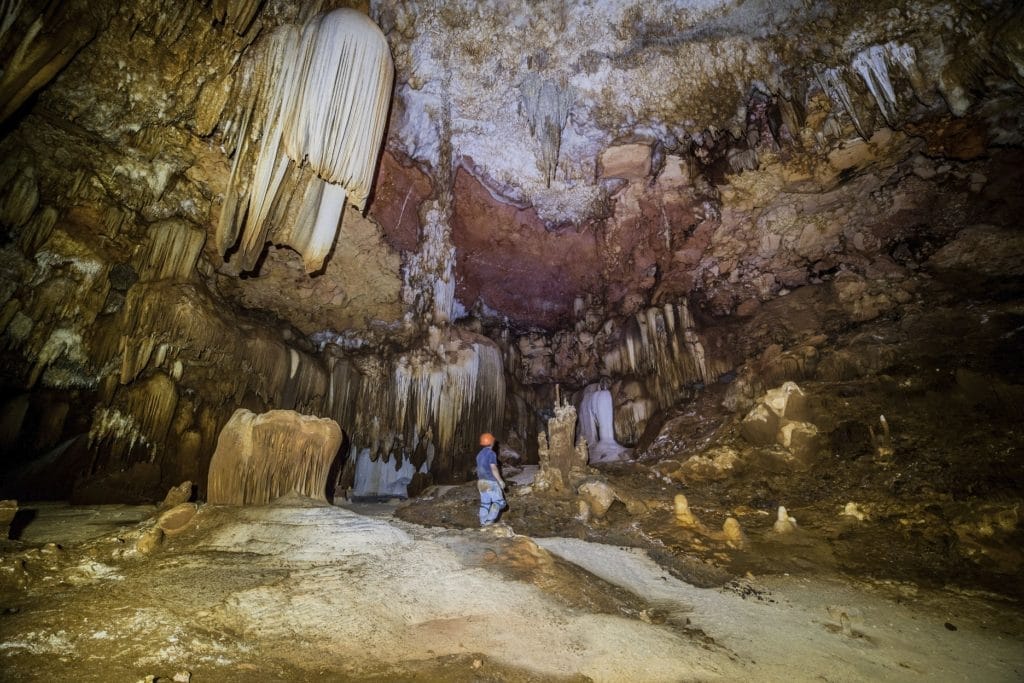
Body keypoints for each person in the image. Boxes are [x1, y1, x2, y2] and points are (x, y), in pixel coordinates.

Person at [475, 432, 507, 526]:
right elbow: (493, 468)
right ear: (492, 442)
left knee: (485, 504)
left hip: (481, 482)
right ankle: (490, 521)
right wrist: (500, 480)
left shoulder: (479, 454)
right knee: (500, 503)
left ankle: (483, 522)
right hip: (490, 482)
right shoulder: (491, 453)